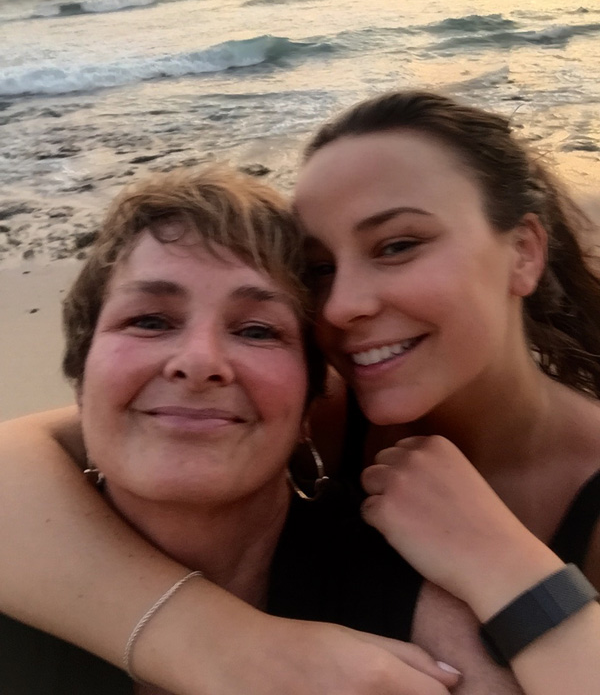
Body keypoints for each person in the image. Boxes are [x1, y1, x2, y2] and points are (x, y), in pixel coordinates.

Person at [1, 91, 600, 694]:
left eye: (398, 245)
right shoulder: (328, 406)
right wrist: (220, 644)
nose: (342, 307)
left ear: (523, 251)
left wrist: (503, 565)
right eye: (320, 269)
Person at [0, 165, 460, 695]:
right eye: (150, 320)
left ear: (314, 398)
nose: (198, 362)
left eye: (257, 330)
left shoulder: (412, 605)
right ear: (82, 380)